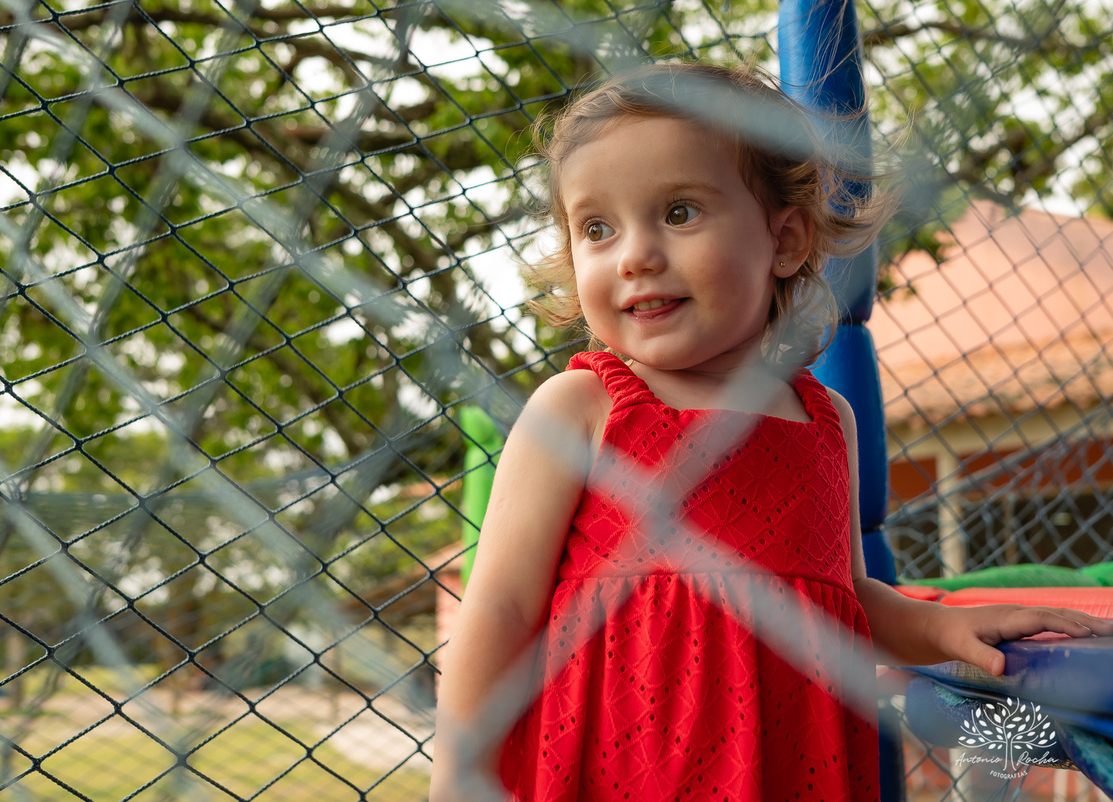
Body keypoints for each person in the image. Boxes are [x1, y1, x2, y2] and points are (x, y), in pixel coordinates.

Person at [429, 62, 1113, 801]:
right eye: (596, 228)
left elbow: (845, 594)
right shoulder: (583, 408)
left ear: (784, 239)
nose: (633, 255)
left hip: (792, 766)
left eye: (680, 212)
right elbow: (498, 607)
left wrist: (947, 631)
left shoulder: (826, 422)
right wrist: (460, 776)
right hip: (618, 769)